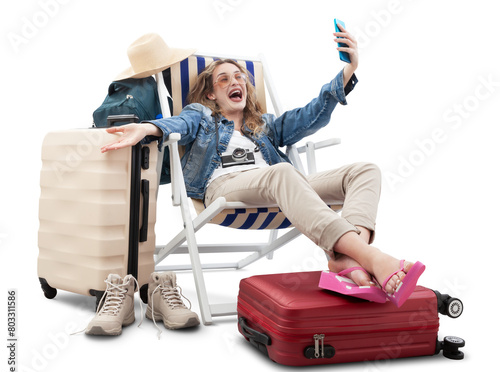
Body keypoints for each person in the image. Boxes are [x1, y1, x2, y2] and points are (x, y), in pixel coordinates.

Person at [101, 24, 425, 307]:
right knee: (283, 172)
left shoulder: (265, 125)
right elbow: (179, 124)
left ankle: (344, 258)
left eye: (239, 76)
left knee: (365, 170)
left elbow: (310, 115)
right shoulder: (201, 116)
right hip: (224, 188)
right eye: (223, 79)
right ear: (212, 94)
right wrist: (149, 128)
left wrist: (347, 71)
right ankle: (371, 257)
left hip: (280, 189)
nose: (234, 81)